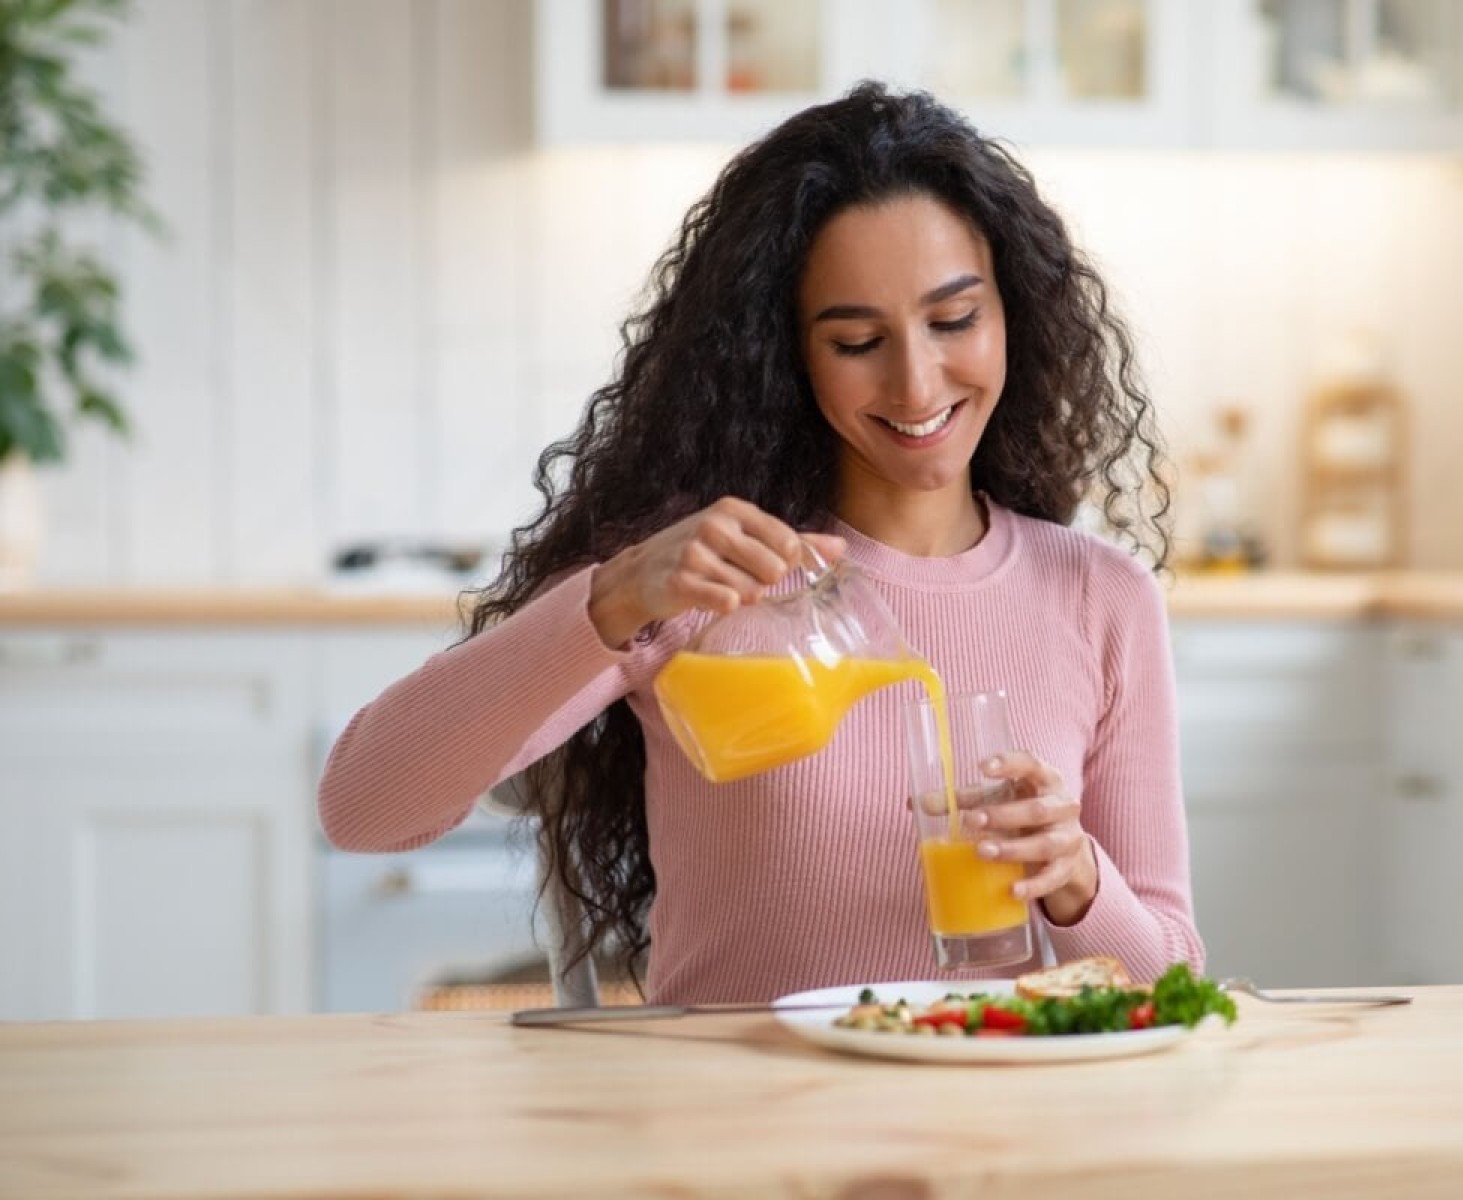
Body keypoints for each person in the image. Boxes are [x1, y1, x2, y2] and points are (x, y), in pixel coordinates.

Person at [318, 81, 1203, 1005]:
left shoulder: (1101, 597)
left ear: (1014, 312)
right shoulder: (711, 575)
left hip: (994, 1115)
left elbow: (1173, 982)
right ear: (789, 354)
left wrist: (1078, 881)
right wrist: (612, 601)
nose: (916, 382)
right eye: (858, 340)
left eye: (953, 322)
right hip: (732, 1121)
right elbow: (365, 808)